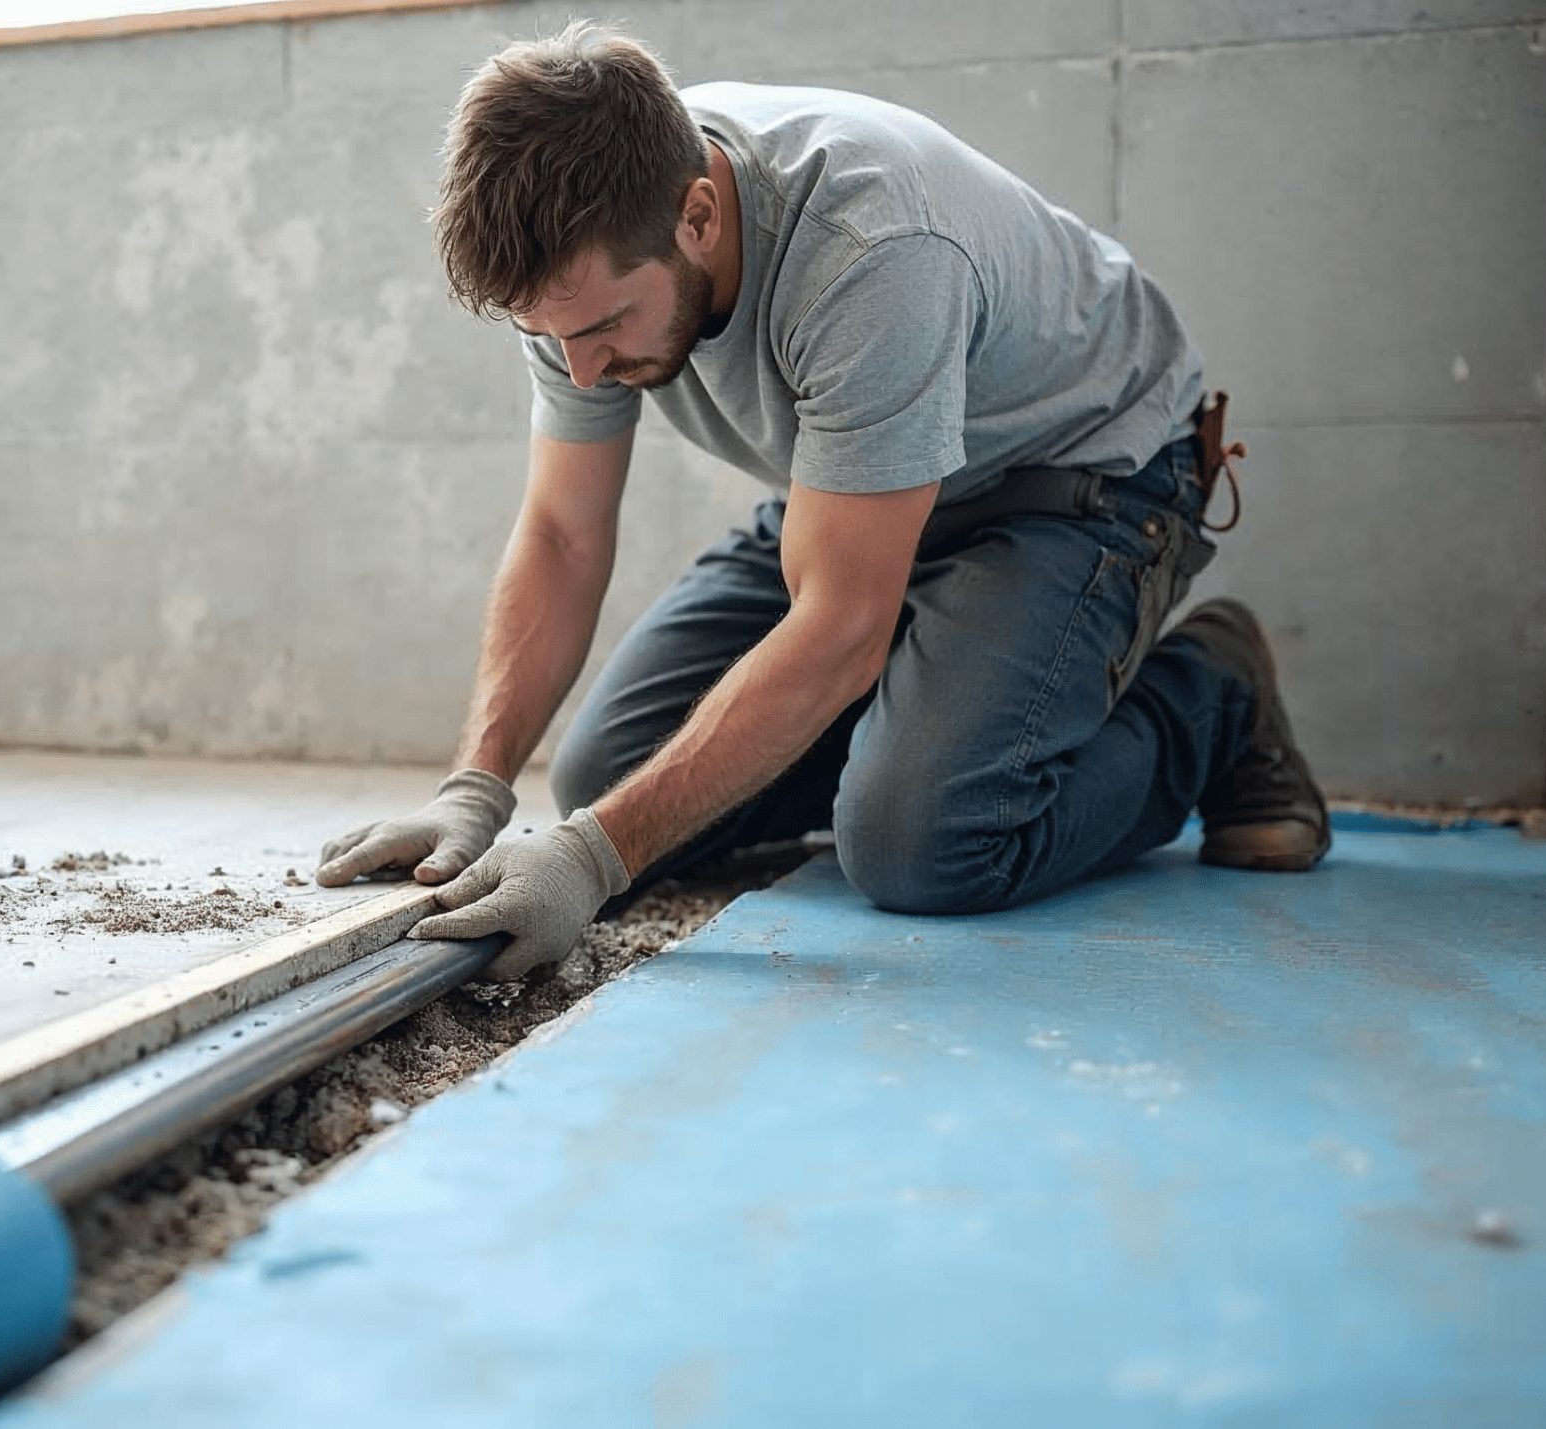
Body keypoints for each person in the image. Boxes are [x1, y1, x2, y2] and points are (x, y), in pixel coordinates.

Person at [316, 21, 1328, 981]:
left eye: (608, 328)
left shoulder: (869, 245)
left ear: (698, 215)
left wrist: (591, 862)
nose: (580, 375)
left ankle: (1213, 696)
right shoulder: (576, 250)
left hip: (1080, 483)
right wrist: (476, 788)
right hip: (861, 494)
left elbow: (841, 626)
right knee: (610, 770)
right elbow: (562, 532)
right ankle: (934, 725)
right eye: (552, 338)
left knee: (923, 845)